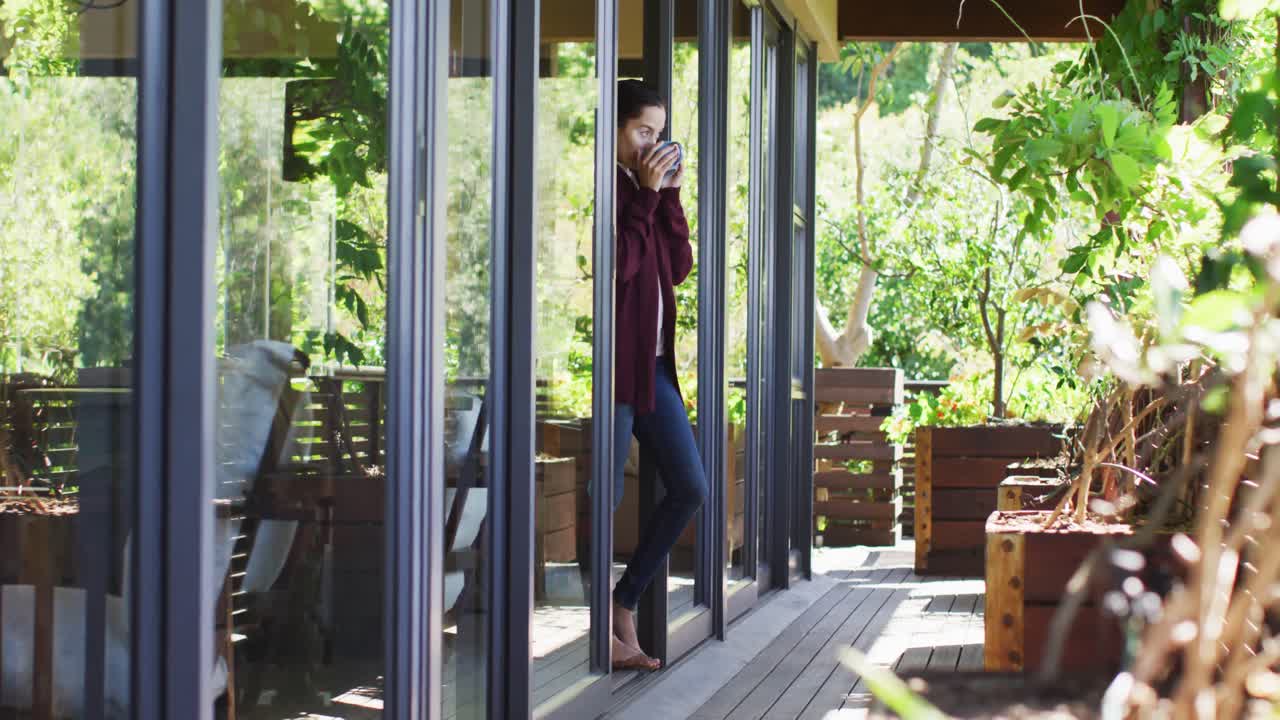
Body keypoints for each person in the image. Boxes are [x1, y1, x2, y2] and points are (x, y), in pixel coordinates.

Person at [609, 79, 708, 672]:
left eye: (658, 133)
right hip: (615, 370)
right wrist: (646, 198)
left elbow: (677, 268)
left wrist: (667, 196)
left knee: (691, 487)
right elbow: (619, 264)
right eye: (642, 131)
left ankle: (624, 601)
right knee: (606, 493)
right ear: (617, 129)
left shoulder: (641, 189)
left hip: (652, 368)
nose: (652, 143)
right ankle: (607, 631)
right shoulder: (608, 188)